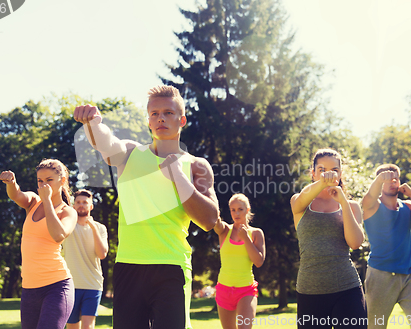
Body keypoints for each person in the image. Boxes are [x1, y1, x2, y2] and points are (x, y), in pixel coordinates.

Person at [73, 85, 219, 329]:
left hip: (172, 267)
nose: (160, 117)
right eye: (154, 113)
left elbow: (209, 220)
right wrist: (94, 123)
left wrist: (179, 179)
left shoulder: (196, 165)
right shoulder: (130, 154)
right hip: (129, 267)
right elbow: (107, 146)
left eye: (168, 113)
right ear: (149, 122)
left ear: (181, 119)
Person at [290, 148, 367, 328]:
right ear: (313, 173)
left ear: (341, 173)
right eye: (322, 170)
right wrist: (323, 183)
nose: (329, 174)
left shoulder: (352, 206)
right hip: (309, 292)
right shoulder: (300, 202)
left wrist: (343, 202)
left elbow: (355, 243)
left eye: (334, 170)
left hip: (347, 289)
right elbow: (299, 201)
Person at [0, 159, 77, 329]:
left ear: (62, 180)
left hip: (57, 287)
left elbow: (58, 235)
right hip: (29, 289)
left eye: (49, 180)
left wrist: (48, 201)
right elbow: (16, 195)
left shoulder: (67, 212)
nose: (43, 185)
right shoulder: (33, 202)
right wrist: (12, 182)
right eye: (40, 181)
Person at [361, 164, 411, 329]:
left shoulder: (407, 206)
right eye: (386, 179)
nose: (391, 182)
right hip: (380, 276)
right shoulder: (373, 205)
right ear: (379, 182)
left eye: (395, 178)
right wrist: (381, 178)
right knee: (375, 327)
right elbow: (366, 200)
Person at [213, 193, 265, 329]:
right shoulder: (224, 230)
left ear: (247, 210)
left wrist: (246, 238)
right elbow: (215, 223)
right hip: (223, 289)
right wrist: (214, 212)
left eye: (240, 209)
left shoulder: (256, 233)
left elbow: (259, 261)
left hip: (246, 290)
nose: (236, 213)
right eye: (233, 210)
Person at [63, 189, 108, 329]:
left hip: (93, 284)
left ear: (91, 206)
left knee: (88, 327)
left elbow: (102, 254)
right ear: (73, 205)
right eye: (78, 202)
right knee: (72, 327)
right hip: (70, 285)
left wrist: (93, 228)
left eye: (85, 202)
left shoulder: (100, 228)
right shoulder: (67, 225)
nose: (81, 205)